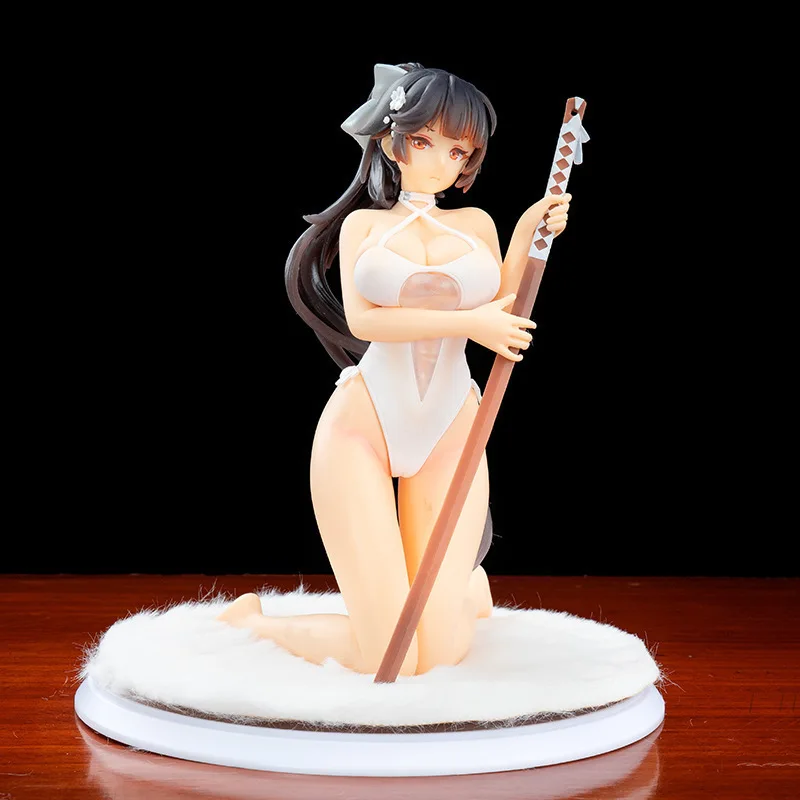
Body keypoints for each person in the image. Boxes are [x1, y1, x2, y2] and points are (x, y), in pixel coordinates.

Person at [218, 62, 570, 676]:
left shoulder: (477, 224)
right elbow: (365, 322)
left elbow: (505, 309)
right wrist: (471, 322)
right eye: (424, 140)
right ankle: (252, 625)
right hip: (364, 427)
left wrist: (526, 233)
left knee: (438, 656)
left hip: (451, 427)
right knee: (392, 657)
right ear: (391, 139)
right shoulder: (365, 226)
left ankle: (465, 595)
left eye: (457, 151)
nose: (439, 161)